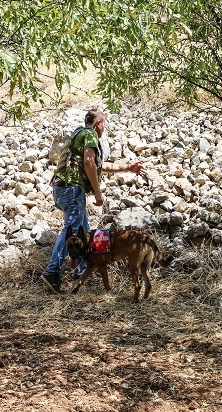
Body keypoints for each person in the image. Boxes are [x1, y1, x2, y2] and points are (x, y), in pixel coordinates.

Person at [41, 108, 147, 294]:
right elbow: (89, 162)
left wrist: (128, 167)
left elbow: (100, 165)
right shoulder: (90, 134)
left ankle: (80, 276)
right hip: (72, 188)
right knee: (72, 230)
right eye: (104, 124)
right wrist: (98, 192)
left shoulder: (79, 135)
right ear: (99, 124)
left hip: (63, 188)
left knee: (84, 233)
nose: (104, 128)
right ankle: (52, 272)